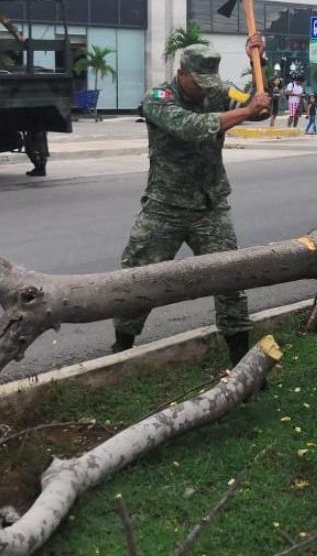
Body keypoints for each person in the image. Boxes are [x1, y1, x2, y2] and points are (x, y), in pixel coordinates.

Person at [111, 37, 272, 368]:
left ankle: (241, 362)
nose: (204, 90)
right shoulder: (159, 99)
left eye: (209, 82)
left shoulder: (218, 93)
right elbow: (191, 127)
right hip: (165, 207)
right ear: (182, 73)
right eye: (198, 83)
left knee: (230, 281)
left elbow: (261, 109)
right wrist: (246, 110)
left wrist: (259, 65)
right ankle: (120, 348)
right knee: (138, 279)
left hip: (210, 207)